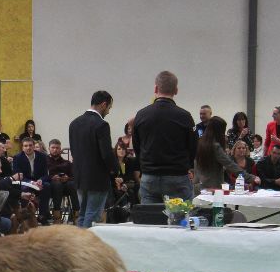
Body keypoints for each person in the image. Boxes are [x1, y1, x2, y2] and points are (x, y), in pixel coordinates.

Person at [132, 71, 196, 204]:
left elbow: (137, 146)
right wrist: (187, 166)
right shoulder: (184, 116)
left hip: (149, 176)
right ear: (176, 90)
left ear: (156, 89)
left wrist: (144, 165)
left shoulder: (141, 115)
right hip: (177, 176)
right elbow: (193, 147)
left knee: (150, 219)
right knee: (180, 218)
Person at [69, 90, 117, 228]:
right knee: (93, 215)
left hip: (79, 177)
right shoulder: (101, 125)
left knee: (83, 214)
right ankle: (85, 247)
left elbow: (74, 151)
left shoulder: (74, 123)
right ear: (103, 104)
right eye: (109, 108)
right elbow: (107, 154)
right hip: (97, 178)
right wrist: (115, 170)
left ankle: (78, 244)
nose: (108, 112)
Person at [194, 116, 260, 191]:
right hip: (212, 187)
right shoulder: (215, 146)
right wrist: (251, 177)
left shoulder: (201, 143)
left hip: (199, 185)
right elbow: (230, 164)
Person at [11, 135, 51, 223]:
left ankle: (42, 216)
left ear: (34, 146)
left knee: (47, 186)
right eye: (25, 146)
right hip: (25, 183)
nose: (28, 148)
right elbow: (17, 175)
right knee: (25, 189)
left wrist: (41, 180)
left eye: (30, 145)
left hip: (39, 182)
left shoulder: (42, 156)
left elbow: (46, 174)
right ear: (22, 147)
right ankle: (26, 219)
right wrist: (31, 182)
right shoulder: (17, 158)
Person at [45, 138, 77, 222]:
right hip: (50, 186)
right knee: (57, 184)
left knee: (73, 184)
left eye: (57, 148)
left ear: (60, 149)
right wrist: (51, 177)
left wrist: (67, 178)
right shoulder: (44, 161)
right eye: (53, 147)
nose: (55, 150)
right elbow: (41, 175)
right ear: (49, 148)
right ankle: (57, 214)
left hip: (66, 185)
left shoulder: (67, 163)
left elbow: (74, 177)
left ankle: (76, 213)